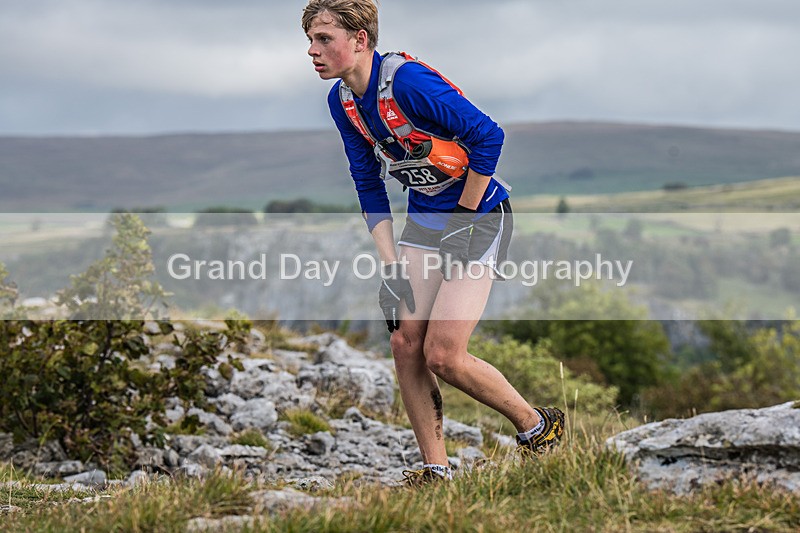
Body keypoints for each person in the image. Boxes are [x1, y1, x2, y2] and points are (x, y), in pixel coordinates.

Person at [302, 0, 564, 484]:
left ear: (360, 40)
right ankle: (436, 470)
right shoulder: (342, 102)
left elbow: (489, 136)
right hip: (424, 220)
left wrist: (463, 218)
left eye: (324, 40)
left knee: (443, 355)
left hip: (479, 215)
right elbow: (367, 181)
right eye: (309, 42)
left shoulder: (407, 82)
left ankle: (538, 428)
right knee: (405, 342)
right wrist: (391, 265)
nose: (312, 52)